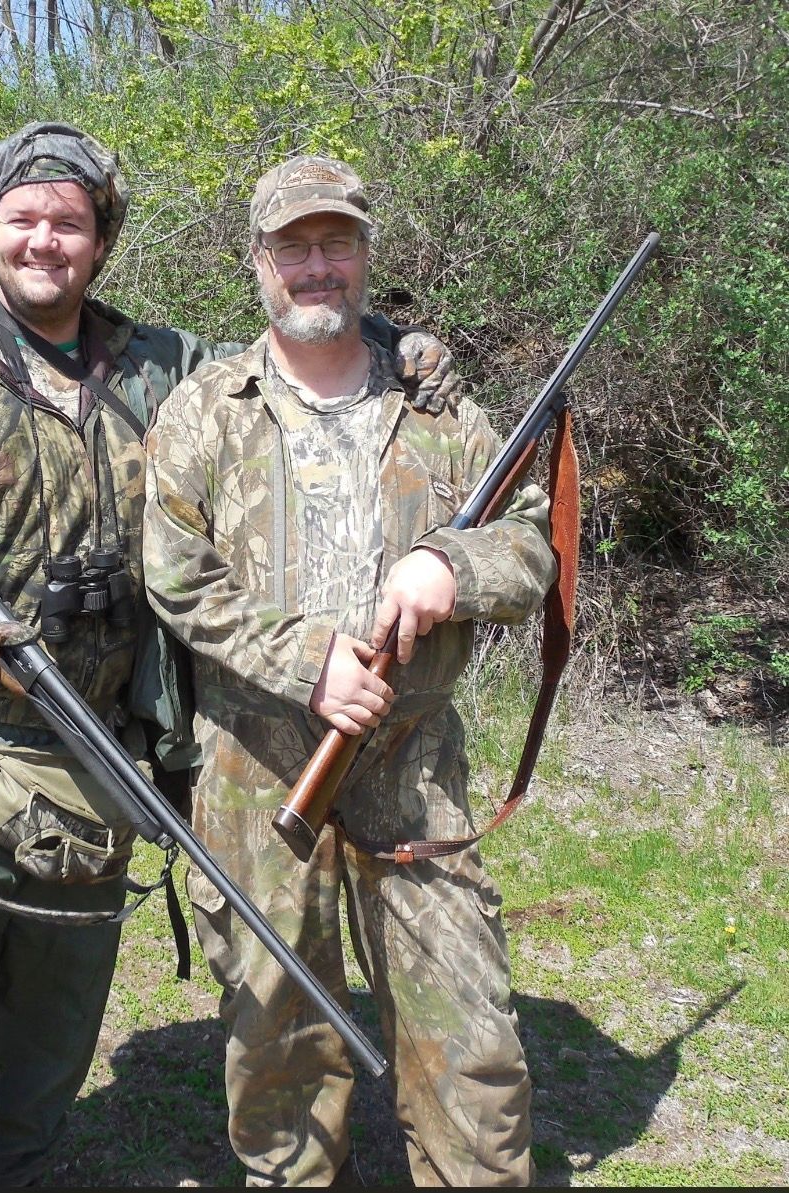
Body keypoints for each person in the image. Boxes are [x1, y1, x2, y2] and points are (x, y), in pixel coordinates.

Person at [0, 124, 458, 1187]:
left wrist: (394, 345)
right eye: (23, 219)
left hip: (104, 760)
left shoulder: (162, 367)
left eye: (70, 221)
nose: (46, 240)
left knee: (47, 1049)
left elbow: (287, 356)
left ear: (101, 239)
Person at [143, 154, 558, 1187]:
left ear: (367, 255)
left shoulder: (443, 410)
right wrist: (307, 660)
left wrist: (448, 564)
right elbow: (172, 573)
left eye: (337, 243)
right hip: (254, 772)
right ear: (258, 263)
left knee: (472, 1047)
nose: (316, 266)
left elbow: (534, 541)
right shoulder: (206, 410)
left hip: (414, 770)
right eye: (295, 247)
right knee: (277, 1044)